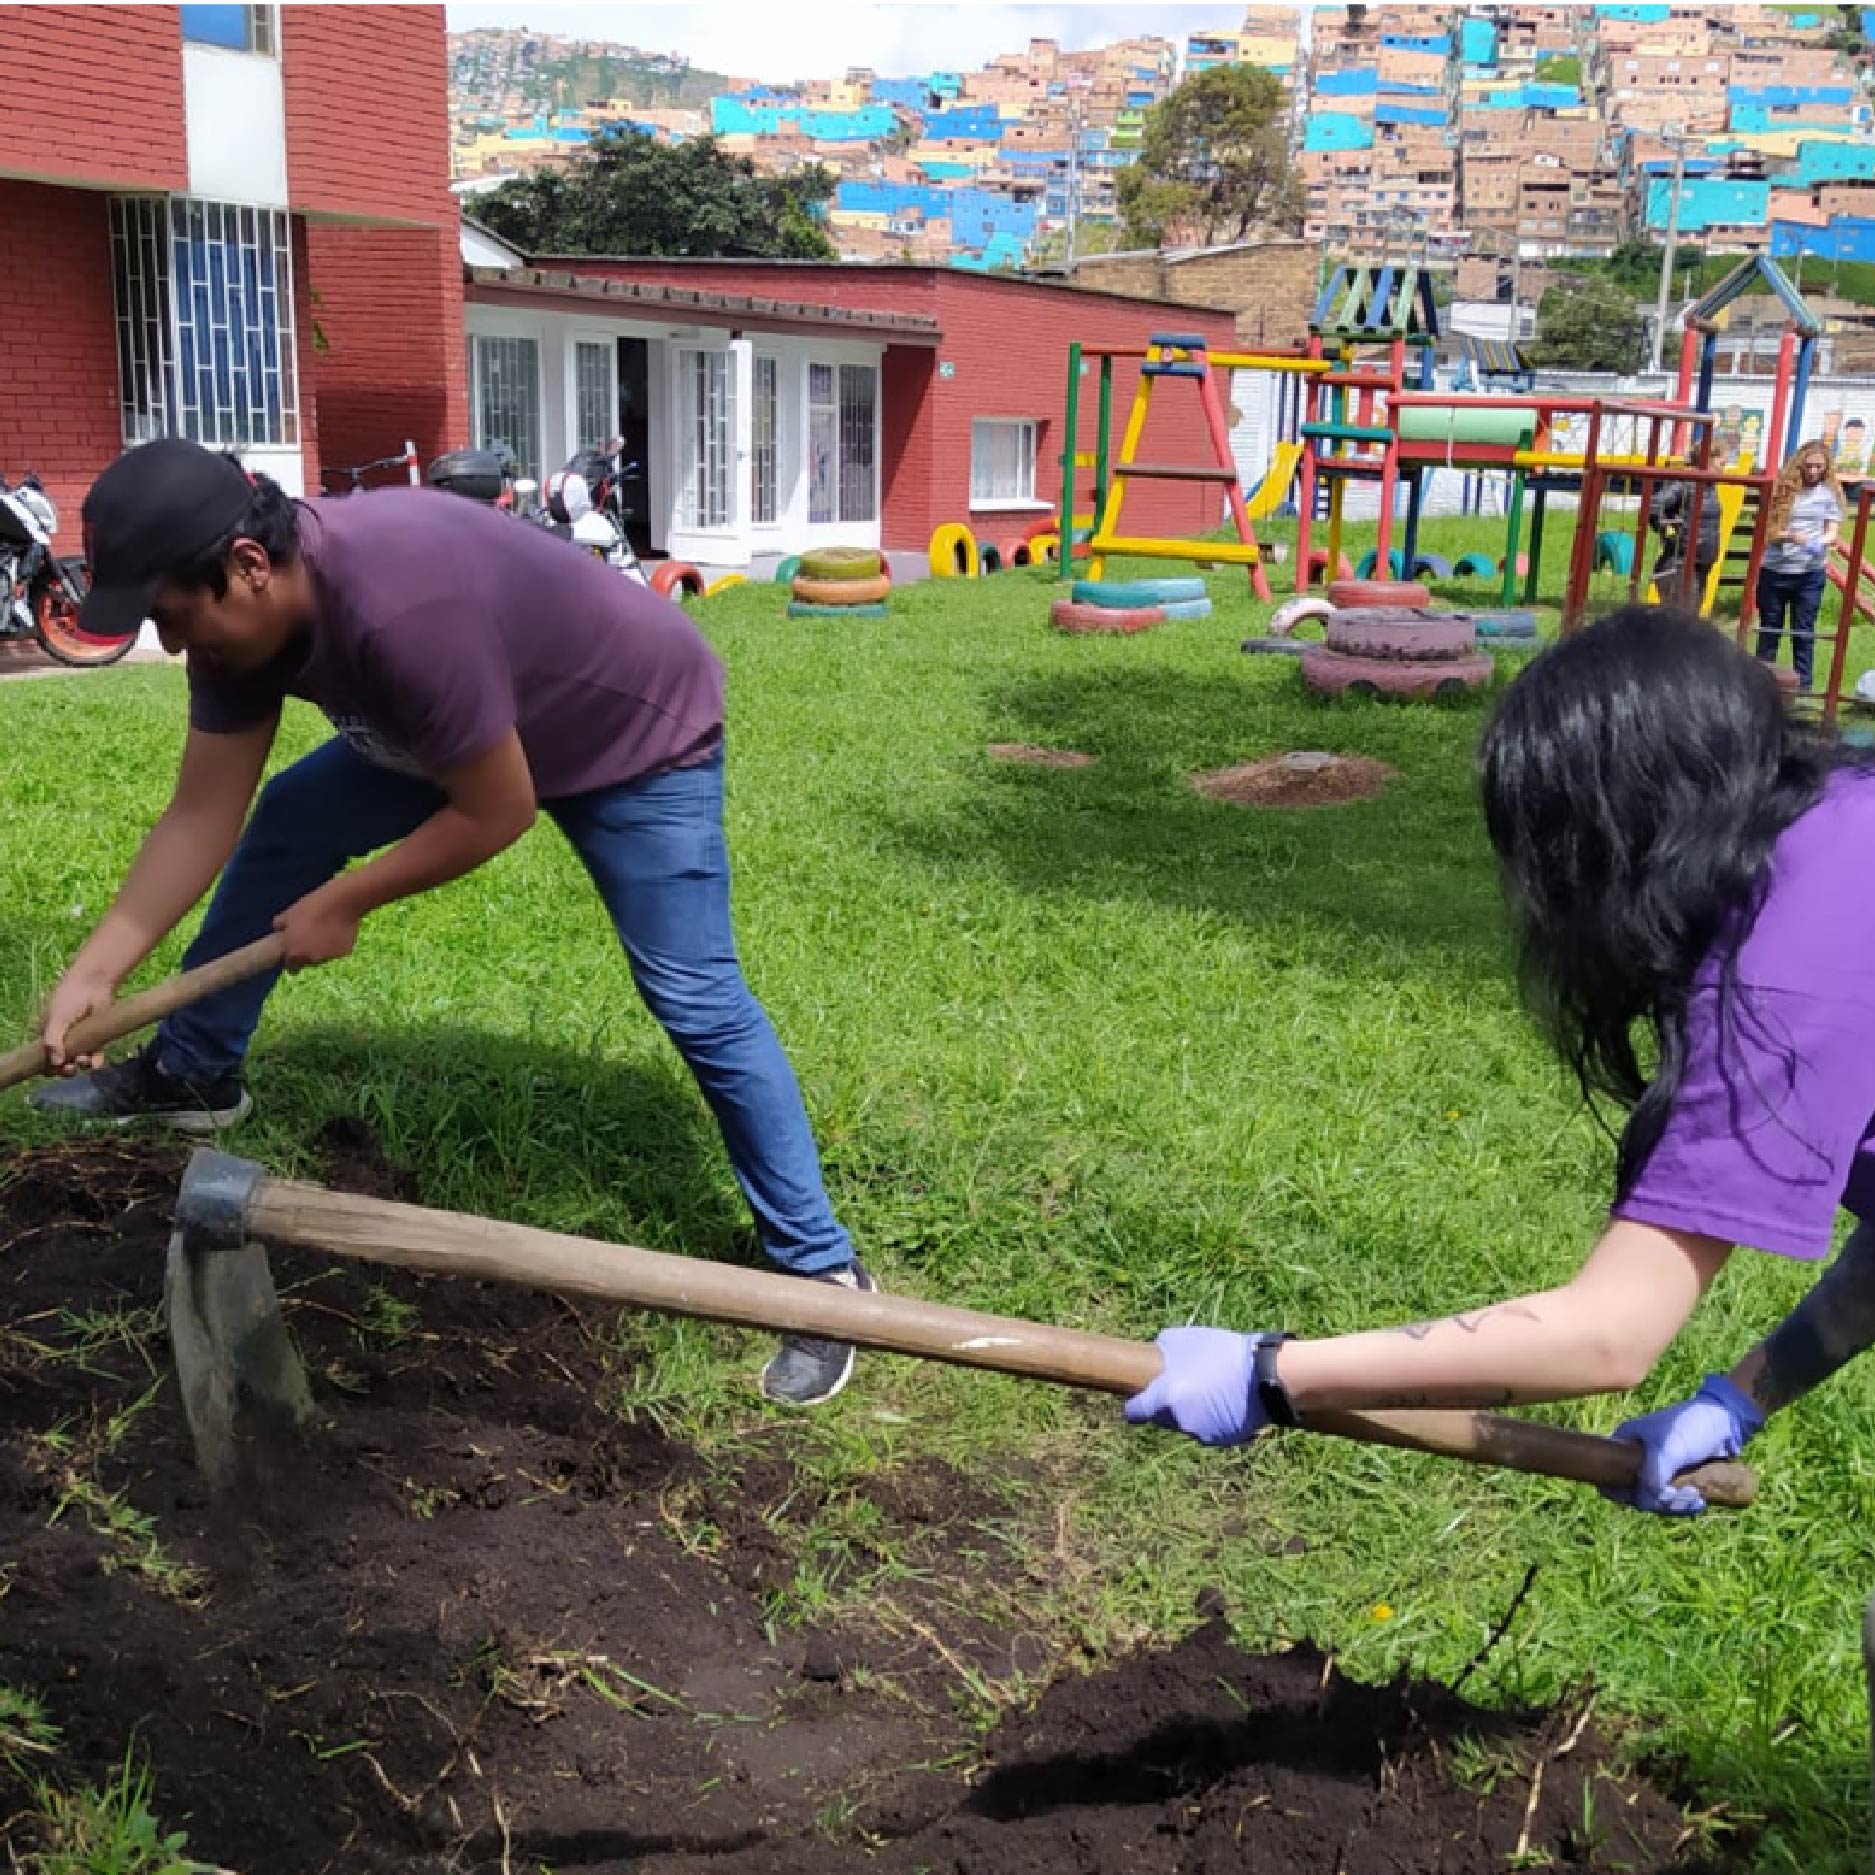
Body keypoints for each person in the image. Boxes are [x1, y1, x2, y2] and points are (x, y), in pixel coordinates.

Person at [32, 438, 870, 1409]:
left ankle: (823, 1275)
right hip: (460, 726)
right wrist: (99, 968)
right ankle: (195, 1072)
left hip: (631, 729)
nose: (177, 650)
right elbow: (199, 814)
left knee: (693, 991)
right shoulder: (237, 622)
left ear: (247, 566)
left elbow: (497, 809)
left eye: (175, 622)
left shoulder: (397, 605)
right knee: (289, 825)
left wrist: (347, 902)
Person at [1126, 606, 1875, 1514]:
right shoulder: (1841, 827)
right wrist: (1741, 1398)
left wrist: (1274, 1370)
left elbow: (1607, 1335)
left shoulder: (1789, 963)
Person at [1754, 441, 1843, 693]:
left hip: (1809, 574)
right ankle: (1762, 684)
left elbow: (1832, 533)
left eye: (1819, 467)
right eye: (1809, 465)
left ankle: (1804, 687)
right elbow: (1768, 531)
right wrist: (1790, 536)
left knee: (1803, 631)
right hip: (1775, 571)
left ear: (1826, 468)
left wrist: (1817, 542)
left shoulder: (1829, 494)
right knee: (1770, 628)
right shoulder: (1782, 491)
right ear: (1799, 465)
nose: (1813, 471)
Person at [1648, 478, 1721, 613]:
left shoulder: (1710, 487)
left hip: (1701, 564)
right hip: (1680, 563)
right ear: (1709, 460)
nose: (1724, 464)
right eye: (1721, 460)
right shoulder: (1684, 484)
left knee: (1689, 620)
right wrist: (1667, 532)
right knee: (1682, 619)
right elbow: (1653, 505)